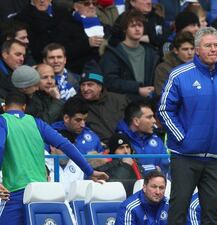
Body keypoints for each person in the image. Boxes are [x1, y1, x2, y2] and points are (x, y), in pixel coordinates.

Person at [158, 27, 217, 225]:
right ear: (196, 49)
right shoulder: (179, 74)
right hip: (185, 156)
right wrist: (183, 138)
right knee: (178, 210)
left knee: (213, 214)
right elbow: (164, 109)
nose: (214, 49)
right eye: (208, 45)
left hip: (215, 157)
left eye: (216, 45)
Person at [0, 91, 108, 225]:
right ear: (24, 107)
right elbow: (65, 145)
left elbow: (0, 146)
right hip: (42, 191)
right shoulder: (37, 123)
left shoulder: (2, 121)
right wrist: (89, 171)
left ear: (4, 107)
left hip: (15, 191)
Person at [100, 10, 158, 98]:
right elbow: (110, 81)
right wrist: (137, 89)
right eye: (133, 26)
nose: (137, 29)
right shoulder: (112, 54)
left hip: (149, 101)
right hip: (123, 103)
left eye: (140, 25)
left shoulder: (151, 53)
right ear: (124, 29)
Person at [78, 61, 130, 142]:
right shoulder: (76, 104)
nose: (85, 89)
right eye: (82, 85)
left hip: (125, 147)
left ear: (100, 86)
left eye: (90, 85)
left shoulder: (120, 100)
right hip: (98, 151)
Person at [116, 99, 169, 175]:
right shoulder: (119, 141)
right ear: (136, 121)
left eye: (153, 116)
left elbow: (165, 168)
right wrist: (152, 170)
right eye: (149, 117)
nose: (154, 120)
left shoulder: (157, 140)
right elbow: (120, 170)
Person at [154, 32, 195, 96]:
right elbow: (162, 95)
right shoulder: (163, 69)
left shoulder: (199, 67)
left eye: (192, 49)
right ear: (176, 50)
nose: (190, 53)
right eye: (185, 49)